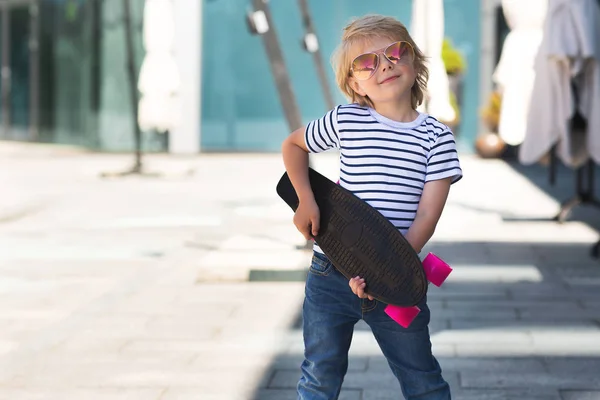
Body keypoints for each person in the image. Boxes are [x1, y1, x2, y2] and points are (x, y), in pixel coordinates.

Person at [281, 14, 462, 400]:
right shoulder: (347, 120)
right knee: (318, 376)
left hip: (395, 278)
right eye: (367, 63)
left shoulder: (437, 137)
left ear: (416, 62)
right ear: (353, 84)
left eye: (396, 52)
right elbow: (293, 146)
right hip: (330, 273)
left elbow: (427, 218)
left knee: (422, 378)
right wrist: (305, 200)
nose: (385, 65)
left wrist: (385, 271)